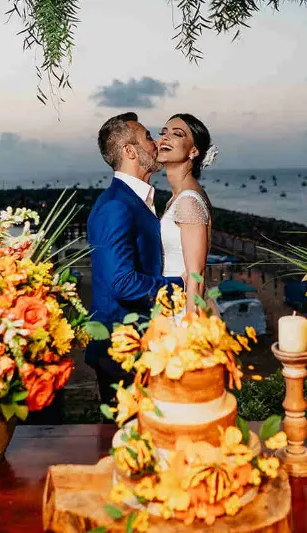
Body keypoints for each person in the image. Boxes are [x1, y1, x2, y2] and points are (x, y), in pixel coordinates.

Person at [86, 112, 184, 405]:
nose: (156, 143)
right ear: (129, 151)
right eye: (148, 137)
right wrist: (182, 286)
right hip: (122, 350)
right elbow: (122, 282)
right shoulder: (116, 206)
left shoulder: (135, 201)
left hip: (141, 345)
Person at [156, 113, 217, 316]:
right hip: (171, 303)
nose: (165, 138)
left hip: (184, 310)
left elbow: (196, 275)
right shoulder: (178, 197)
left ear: (193, 151)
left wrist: (190, 328)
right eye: (163, 133)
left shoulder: (188, 200)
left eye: (177, 134)